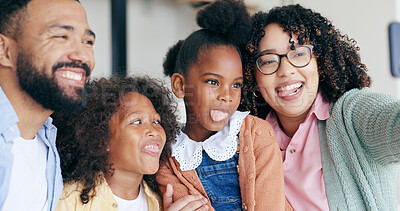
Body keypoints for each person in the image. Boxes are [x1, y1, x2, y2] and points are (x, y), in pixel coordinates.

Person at [240, 4, 400, 211]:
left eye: (298, 54)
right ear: (252, 75)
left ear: (320, 61)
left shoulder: (350, 114)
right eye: (269, 61)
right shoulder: (248, 137)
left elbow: (391, 122)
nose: (286, 71)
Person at [156, 0, 291, 210]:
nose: (227, 96)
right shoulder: (169, 157)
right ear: (180, 85)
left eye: (236, 85)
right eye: (213, 82)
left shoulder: (256, 134)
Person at [54, 77, 210, 211]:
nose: (154, 130)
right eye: (137, 121)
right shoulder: (68, 200)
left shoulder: (161, 202)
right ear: (101, 139)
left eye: (156, 121)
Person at [0, 0, 95, 210]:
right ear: (4, 50)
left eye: (88, 42)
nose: (82, 55)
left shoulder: (47, 142)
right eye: (61, 36)